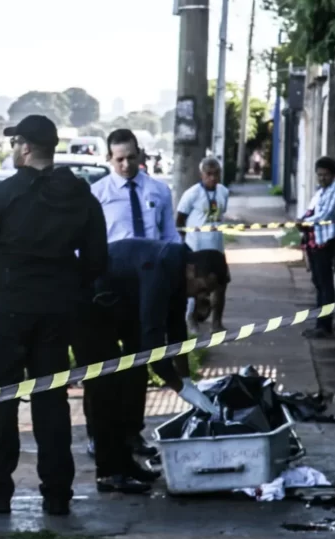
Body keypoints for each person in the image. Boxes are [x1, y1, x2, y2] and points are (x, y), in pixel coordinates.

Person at [0, 114, 108, 517]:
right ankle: (57, 495)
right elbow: (97, 260)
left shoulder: (0, 196)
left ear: (25, 147)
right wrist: (70, 288)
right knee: (51, 402)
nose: (12, 151)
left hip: (8, 309)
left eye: (14, 144)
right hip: (58, 312)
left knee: (2, 402)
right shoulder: (80, 196)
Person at [89, 239, 226, 492]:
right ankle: (108, 471)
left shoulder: (179, 270)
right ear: (193, 270)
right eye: (203, 288)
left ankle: (125, 459)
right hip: (95, 306)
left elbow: (175, 332)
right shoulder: (161, 268)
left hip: (123, 307)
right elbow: (152, 341)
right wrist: (180, 389)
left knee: (134, 376)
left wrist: (186, 380)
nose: (201, 296)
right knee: (107, 387)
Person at [80, 128, 180, 460]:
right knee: (102, 367)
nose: (125, 165)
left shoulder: (159, 191)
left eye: (131, 157)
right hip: (109, 290)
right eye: (118, 159)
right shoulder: (97, 195)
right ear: (109, 159)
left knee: (140, 362)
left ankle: (131, 432)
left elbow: (170, 238)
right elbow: (87, 247)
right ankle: (98, 434)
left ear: (140, 154)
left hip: (147, 289)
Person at [176, 156, 231, 333]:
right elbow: (179, 221)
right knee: (195, 288)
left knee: (221, 285)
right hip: (197, 248)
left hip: (217, 247)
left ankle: (217, 323)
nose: (213, 178)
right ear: (202, 175)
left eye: (216, 174)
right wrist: (185, 245)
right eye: (209, 174)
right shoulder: (192, 194)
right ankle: (191, 319)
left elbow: (220, 215)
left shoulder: (223, 192)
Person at [301, 156, 335, 339]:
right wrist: (303, 221)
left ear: (333, 175)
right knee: (318, 283)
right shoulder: (320, 191)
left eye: (325, 175)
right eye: (319, 175)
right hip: (314, 240)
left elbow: (326, 215)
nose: (322, 178)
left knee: (326, 284)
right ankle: (319, 323)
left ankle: (325, 325)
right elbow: (311, 211)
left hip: (325, 240)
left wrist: (304, 222)